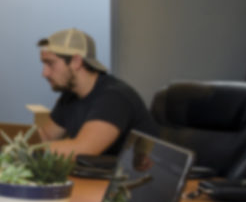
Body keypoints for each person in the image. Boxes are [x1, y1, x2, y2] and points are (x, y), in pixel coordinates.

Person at [36, 28, 157, 156]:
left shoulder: (114, 97)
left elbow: (82, 150)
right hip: (95, 173)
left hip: (132, 175)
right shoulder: (70, 96)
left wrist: (29, 151)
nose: (44, 73)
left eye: (50, 63)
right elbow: (46, 136)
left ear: (76, 61)